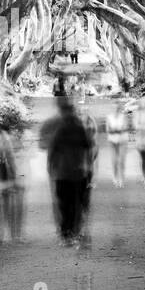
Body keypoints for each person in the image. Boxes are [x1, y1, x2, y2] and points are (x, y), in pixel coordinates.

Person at [37, 96, 95, 246]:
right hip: (74, 173)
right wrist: (88, 167)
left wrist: (50, 167)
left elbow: (51, 149)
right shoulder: (76, 127)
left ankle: (67, 233)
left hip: (65, 174)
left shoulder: (63, 128)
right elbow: (89, 148)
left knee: (66, 203)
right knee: (72, 204)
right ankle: (70, 232)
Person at [105, 102, 132, 188]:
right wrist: (116, 129)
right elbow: (108, 129)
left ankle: (122, 179)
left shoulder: (123, 117)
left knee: (121, 161)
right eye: (114, 108)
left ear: (119, 108)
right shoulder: (109, 117)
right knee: (114, 161)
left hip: (122, 140)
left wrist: (116, 129)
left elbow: (125, 128)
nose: (115, 109)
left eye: (117, 108)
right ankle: (115, 178)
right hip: (112, 141)